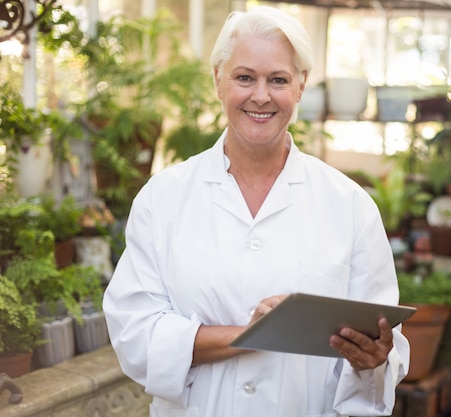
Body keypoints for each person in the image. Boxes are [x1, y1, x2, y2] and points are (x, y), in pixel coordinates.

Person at [103, 6, 410, 417]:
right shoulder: (164, 198)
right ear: (218, 80)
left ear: (300, 86)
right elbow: (134, 332)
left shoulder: (350, 206)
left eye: (278, 79)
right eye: (244, 77)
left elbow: (385, 343)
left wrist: (374, 357)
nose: (261, 96)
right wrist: (252, 335)